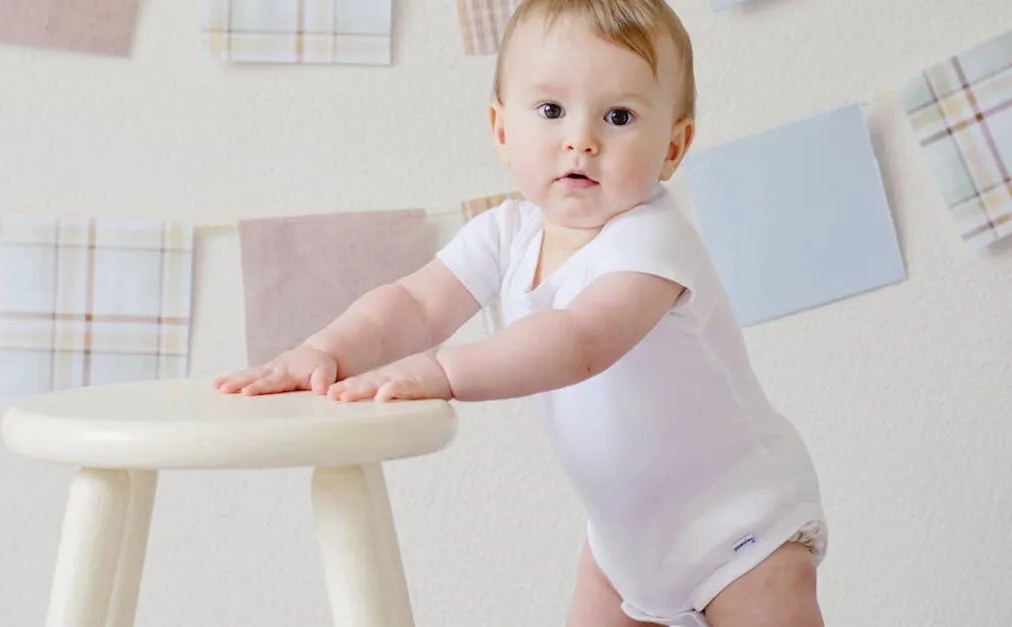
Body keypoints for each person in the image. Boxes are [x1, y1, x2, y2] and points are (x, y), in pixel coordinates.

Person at [215, 0, 828, 624]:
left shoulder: (651, 241)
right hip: (625, 544)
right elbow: (415, 303)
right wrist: (327, 349)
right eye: (551, 110)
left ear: (674, 145)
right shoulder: (506, 234)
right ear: (502, 130)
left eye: (619, 116)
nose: (580, 139)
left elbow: (580, 339)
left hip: (740, 526)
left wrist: (443, 373)